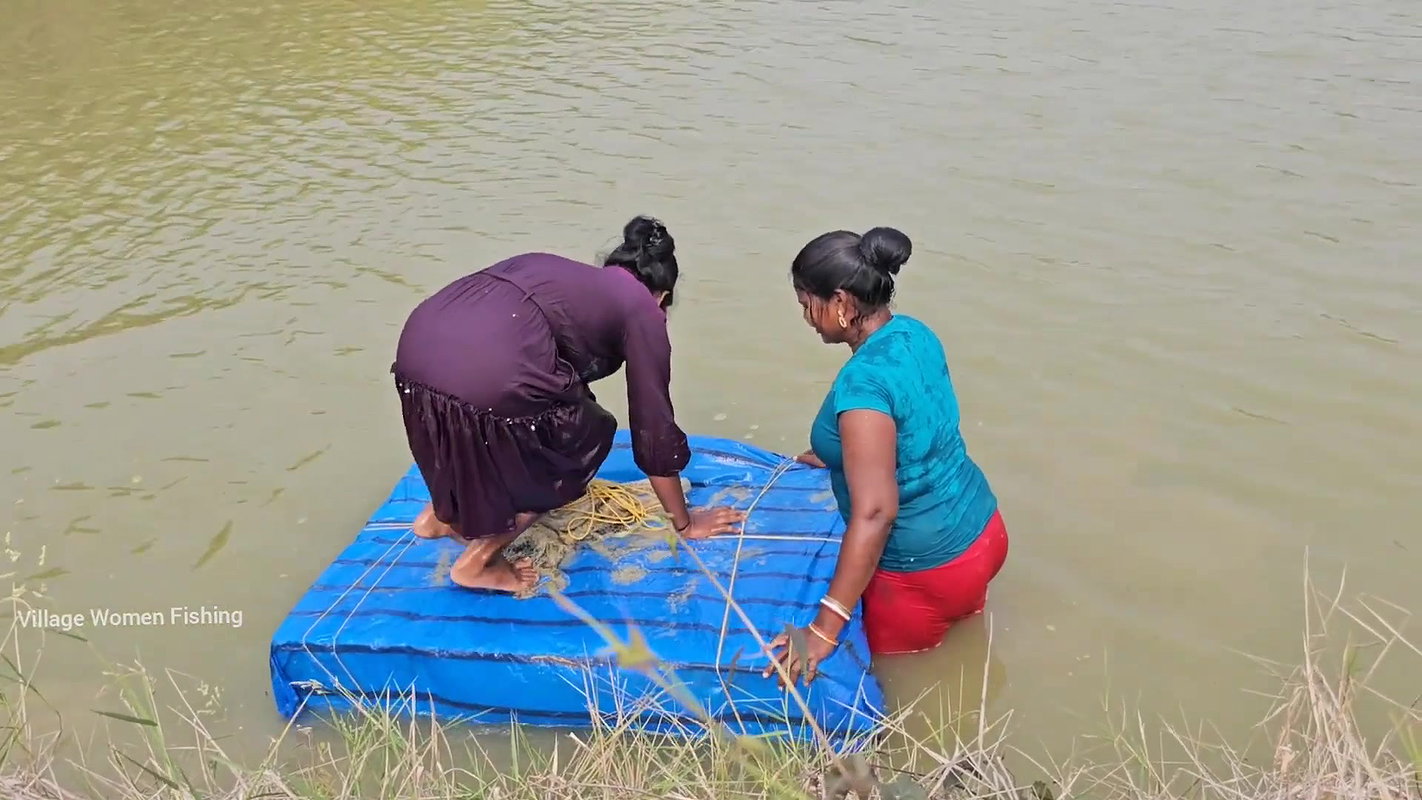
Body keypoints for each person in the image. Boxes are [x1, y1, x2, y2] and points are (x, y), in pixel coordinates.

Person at [391, 216, 745, 593]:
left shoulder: (556, 273)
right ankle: (479, 562)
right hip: (488, 370)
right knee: (580, 436)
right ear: (662, 297)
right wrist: (685, 523)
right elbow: (652, 425)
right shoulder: (644, 310)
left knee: (473, 410)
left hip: (416, 347)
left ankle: (439, 518)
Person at [764, 227, 1008, 686]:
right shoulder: (915, 333)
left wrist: (824, 629)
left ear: (840, 301)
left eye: (806, 305)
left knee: (907, 692)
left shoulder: (863, 384)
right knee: (967, 678)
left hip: (924, 573)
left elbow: (876, 512)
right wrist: (844, 455)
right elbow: (918, 422)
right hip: (983, 534)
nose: (807, 318)